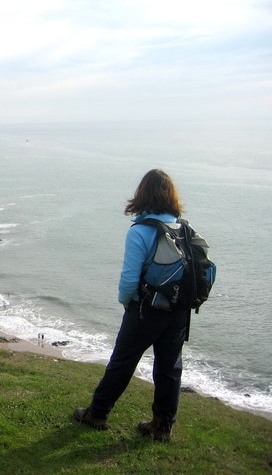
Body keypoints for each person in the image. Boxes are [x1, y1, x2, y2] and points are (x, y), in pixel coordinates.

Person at [73, 169, 190, 442]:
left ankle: (97, 413)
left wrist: (126, 302)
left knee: (123, 362)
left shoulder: (141, 230)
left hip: (146, 309)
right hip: (179, 310)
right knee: (169, 368)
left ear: (142, 194)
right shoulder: (181, 226)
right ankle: (162, 427)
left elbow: (129, 279)